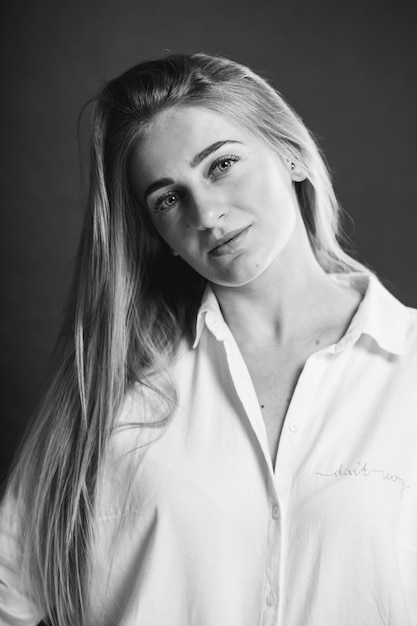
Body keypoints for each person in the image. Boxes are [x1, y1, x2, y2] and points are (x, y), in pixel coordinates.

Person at [0, 52, 416, 626]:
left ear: (290, 154)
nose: (208, 213)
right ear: (157, 232)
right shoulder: (110, 385)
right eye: (168, 198)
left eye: (221, 165)